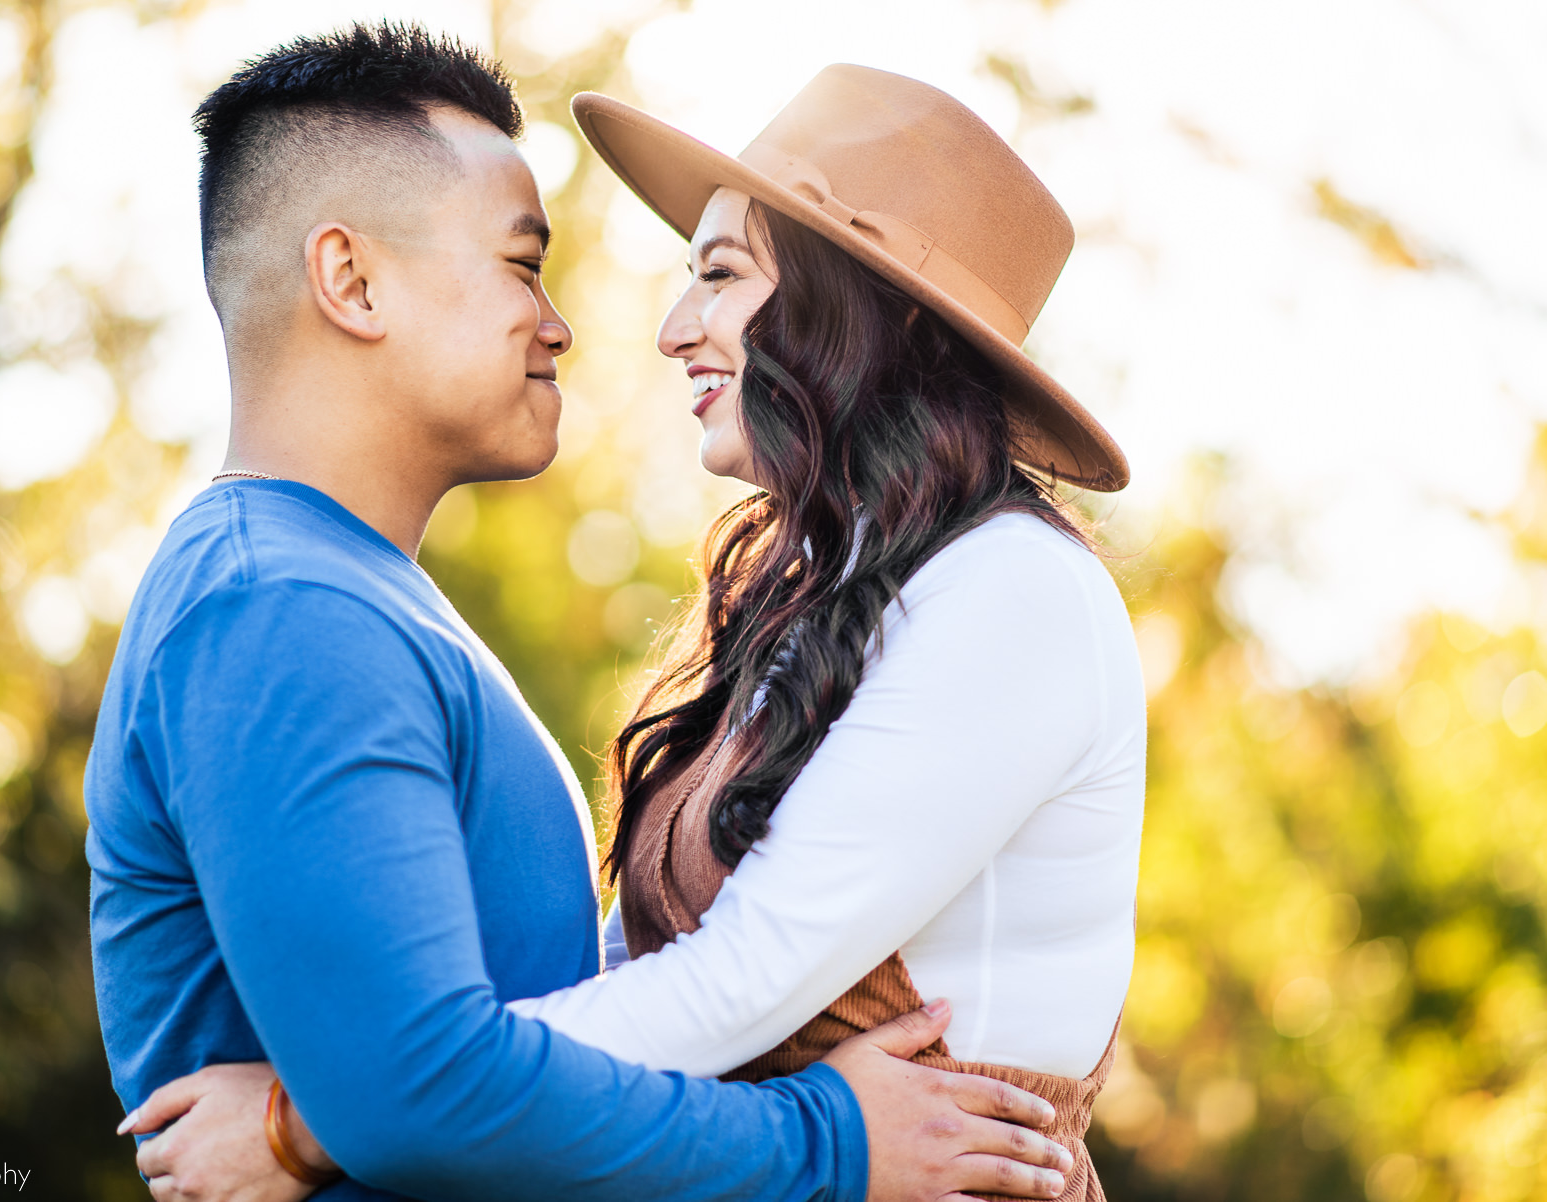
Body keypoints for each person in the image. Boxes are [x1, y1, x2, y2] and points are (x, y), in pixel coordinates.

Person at [86, 24, 1076, 1202]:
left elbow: (485, 1040)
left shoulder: (349, 600)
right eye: (521, 264)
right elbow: (420, 1085)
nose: (563, 323)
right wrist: (830, 1143)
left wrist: (318, 1122)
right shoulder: (281, 608)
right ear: (352, 281)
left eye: (718, 276)